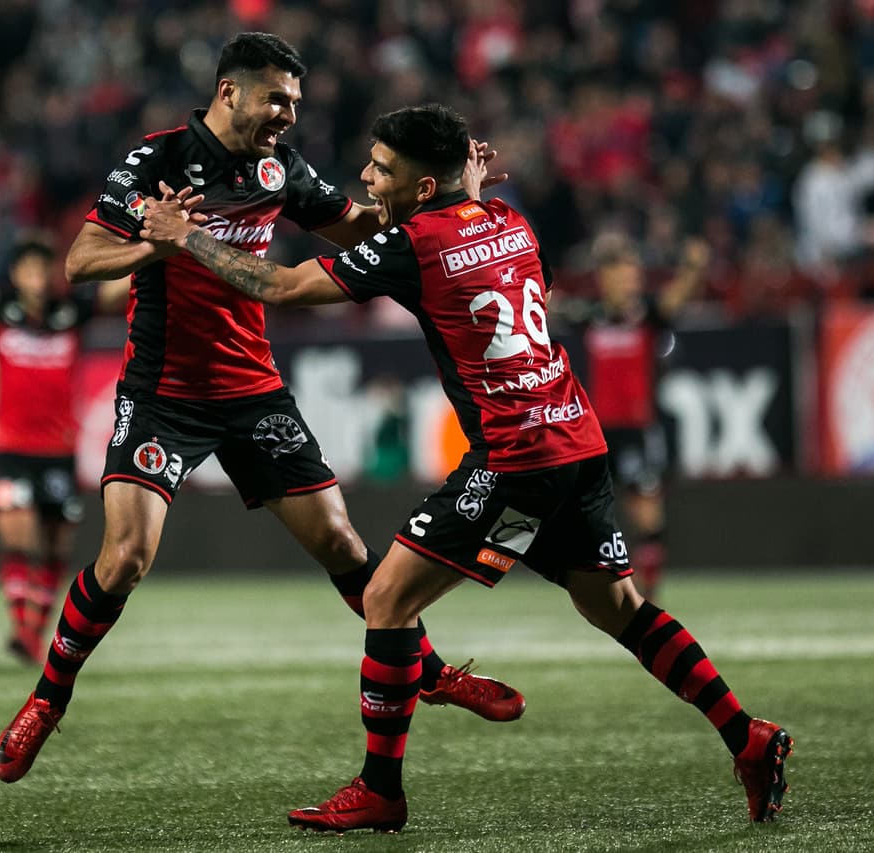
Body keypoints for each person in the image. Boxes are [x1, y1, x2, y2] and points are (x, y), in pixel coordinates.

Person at [140, 103, 792, 832]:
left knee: (386, 598)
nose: (365, 176)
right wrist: (465, 187)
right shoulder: (511, 219)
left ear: (422, 189)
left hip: (516, 463)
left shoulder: (413, 243)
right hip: (578, 444)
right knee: (621, 609)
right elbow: (461, 219)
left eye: (382, 168)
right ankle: (748, 734)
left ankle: (380, 790)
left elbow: (282, 289)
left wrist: (185, 236)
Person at [0, 33, 522, 786]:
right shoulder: (157, 161)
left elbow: (360, 228)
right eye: (277, 97)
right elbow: (80, 262)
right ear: (230, 90)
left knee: (342, 543)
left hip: (252, 390)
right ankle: (47, 697)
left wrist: (453, 197)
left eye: (295, 102)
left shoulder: (280, 169)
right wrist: (160, 246)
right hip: (163, 394)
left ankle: (427, 670)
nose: (287, 113)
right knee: (126, 557)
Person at [0, 239, 129, 663]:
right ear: (15, 276)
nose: (38, 278)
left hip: (59, 450)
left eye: (44, 270)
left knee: (55, 549)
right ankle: (22, 630)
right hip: (11, 448)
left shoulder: (72, 311)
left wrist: (155, 247)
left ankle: (33, 633)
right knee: (17, 536)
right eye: (29, 270)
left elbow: (117, 289)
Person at [573, 231, 709, 600]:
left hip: (637, 428)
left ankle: (649, 592)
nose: (627, 278)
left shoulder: (648, 315)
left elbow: (675, 299)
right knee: (584, 513)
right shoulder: (589, 317)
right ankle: (596, 583)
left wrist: (693, 267)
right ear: (603, 278)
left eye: (631, 270)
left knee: (646, 512)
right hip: (595, 432)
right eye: (618, 271)